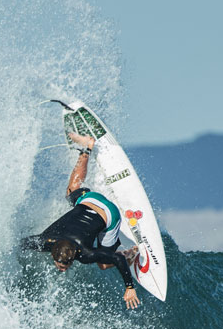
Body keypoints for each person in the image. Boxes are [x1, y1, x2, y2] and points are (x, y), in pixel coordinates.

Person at [23, 131, 141, 309]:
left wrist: (129, 287)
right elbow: (20, 243)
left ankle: (130, 252)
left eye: (65, 265)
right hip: (90, 200)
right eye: (61, 265)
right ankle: (86, 147)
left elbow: (117, 262)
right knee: (72, 190)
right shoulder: (44, 242)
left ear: (74, 257)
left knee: (103, 264)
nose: (62, 268)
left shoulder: (86, 254)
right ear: (53, 251)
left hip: (109, 214)